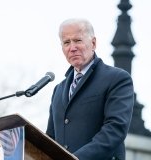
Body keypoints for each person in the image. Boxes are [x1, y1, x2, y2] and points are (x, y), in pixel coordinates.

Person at [46, 18, 134, 160]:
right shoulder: (59, 89)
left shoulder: (117, 79)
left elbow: (115, 130)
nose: (72, 47)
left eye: (77, 40)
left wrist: (75, 158)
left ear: (93, 43)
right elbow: (50, 138)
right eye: (66, 42)